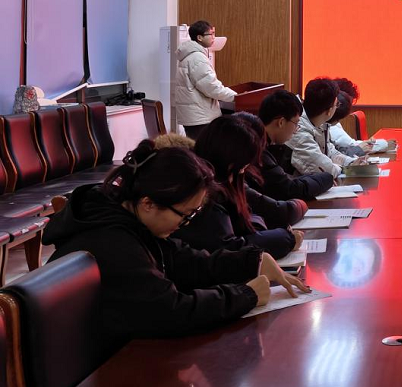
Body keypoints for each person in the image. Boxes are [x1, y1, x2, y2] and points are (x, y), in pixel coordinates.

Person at [42, 140, 308, 342]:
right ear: (148, 203)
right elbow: (171, 311)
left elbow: (186, 260)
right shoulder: (113, 243)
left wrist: (252, 261)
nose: (186, 224)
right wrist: (246, 295)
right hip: (98, 370)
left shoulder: (129, 220)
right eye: (184, 215)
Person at [174, 115, 305, 259]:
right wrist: (286, 239)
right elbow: (229, 249)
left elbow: (247, 216)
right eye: (242, 166)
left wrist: (257, 231)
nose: (243, 171)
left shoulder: (222, 180)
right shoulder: (202, 195)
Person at [253, 90, 334, 200]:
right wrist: (327, 178)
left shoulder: (261, 141)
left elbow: (284, 180)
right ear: (281, 122)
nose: (296, 130)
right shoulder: (257, 149)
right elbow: (290, 190)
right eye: (296, 123)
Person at [287, 77, 368, 178]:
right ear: (329, 111)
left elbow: (330, 151)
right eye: (337, 104)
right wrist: (344, 169)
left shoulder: (319, 122)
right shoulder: (299, 129)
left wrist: (351, 162)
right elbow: (322, 168)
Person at [174, 21, 237, 140]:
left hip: (194, 116)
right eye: (211, 34)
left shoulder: (190, 55)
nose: (214, 37)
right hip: (201, 118)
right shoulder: (197, 58)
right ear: (200, 37)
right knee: (204, 149)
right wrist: (236, 97)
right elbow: (211, 88)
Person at [329, 78, 390, 155]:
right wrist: (384, 144)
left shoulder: (332, 121)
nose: (348, 108)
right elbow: (350, 145)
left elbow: (342, 150)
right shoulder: (328, 124)